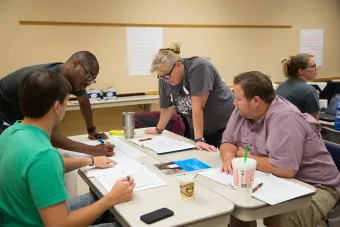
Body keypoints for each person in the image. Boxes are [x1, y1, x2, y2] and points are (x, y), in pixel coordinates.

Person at [0, 69, 135, 227]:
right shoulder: (43, 155)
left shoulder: (10, 134)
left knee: (99, 199)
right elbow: (61, 224)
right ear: (57, 107)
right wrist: (112, 198)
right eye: (67, 101)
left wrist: (90, 160)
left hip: (19, 217)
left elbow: (35, 169)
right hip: (46, 222)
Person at [220, 71, 340, 227]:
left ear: (256, 101)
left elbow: (285, 170)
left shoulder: (285, 118)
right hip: (274, 179)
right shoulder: (242, 110)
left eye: (238, 99)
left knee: (278, 219)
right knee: (237, 205)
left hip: (315, 186)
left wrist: (245, 156)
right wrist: (229, 156)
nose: (234, 103)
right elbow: (227, 141)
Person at [0, 51, 113, 156]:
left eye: (92, 80)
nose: (88, 83)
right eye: (88, 76)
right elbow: (44, 129)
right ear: (75, 64)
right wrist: (92, 150)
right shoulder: (47, 82)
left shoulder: (72, 79)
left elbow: (83, 100)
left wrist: (91, 130)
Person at [145, 45, 235, 151]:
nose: (164, 79)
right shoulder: (165, 79)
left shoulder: (199, 67)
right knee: (201, 160)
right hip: (200, 128)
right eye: (160, 76)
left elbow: (198, 107)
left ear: (178, 65)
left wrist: (199, 140)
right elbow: (166, 107)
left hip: (225, 125)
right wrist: (158, 129)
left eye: (166, 75)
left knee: (226, 160)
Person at [276, 53, 320, 120]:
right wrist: (312, 95)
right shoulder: (309, 90)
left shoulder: (281, 86)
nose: (316, 69)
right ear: (301, 71)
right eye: (313, 66)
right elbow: (314, 123)